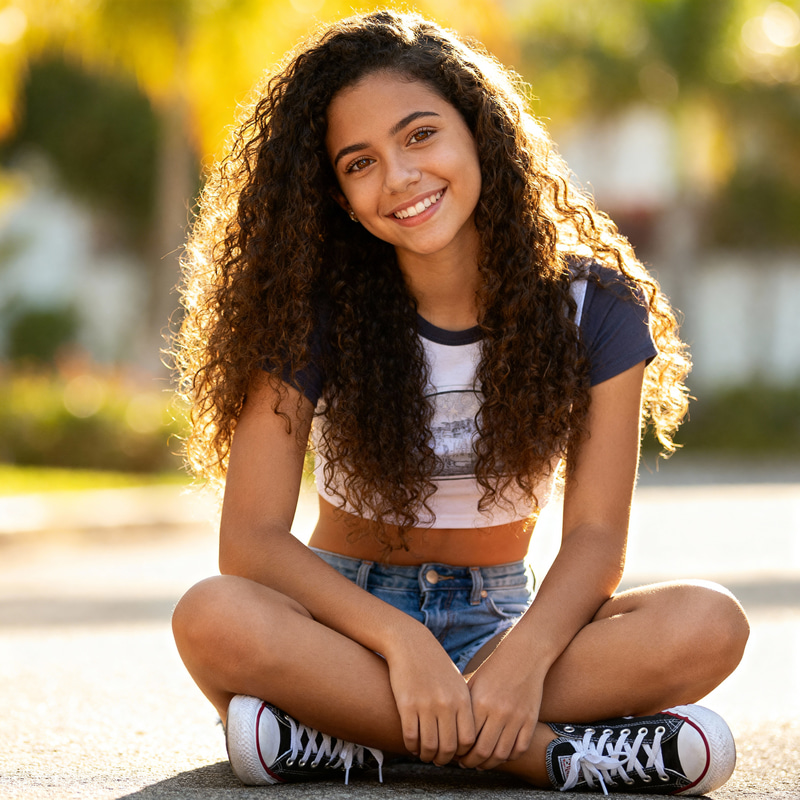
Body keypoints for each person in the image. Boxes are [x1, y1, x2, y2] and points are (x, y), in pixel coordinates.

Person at [171, 10, 749, 794]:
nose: (400, 178)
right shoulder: (312, 309)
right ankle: (548, 755)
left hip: (503, 623)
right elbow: (250, 541)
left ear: (478, 131)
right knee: (213, 615)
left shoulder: (595, 307)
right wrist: (400, 640)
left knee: (709, 624)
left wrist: (528, 656)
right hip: (346, 624)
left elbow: (595, 536)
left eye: (420, 136)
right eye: (359, 162)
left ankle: (348, 740)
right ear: (337, 196)